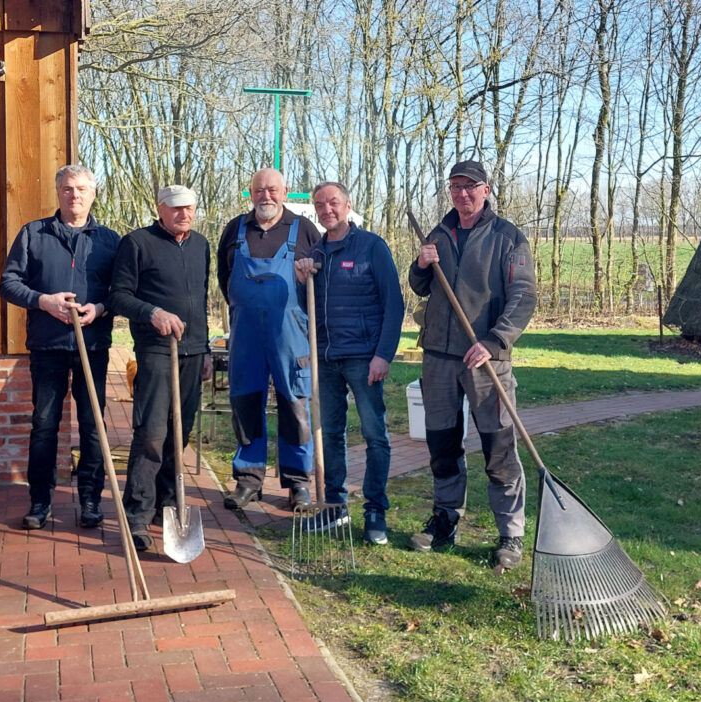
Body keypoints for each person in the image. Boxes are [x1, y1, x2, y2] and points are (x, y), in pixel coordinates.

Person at [407, 160, 537, 570]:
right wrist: (421, 264)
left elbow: (524, 296)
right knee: (442, 444)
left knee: (499, 447)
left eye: (470, 186)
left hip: (487, 360)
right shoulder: (438, 234)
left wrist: (494, 340)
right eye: (455, 186)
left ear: (486, 189)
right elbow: (419, 286)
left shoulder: (508, 237)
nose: (462, 193)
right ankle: (445, 519)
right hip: (440, 359)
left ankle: (510, 534)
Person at [0, 165, 121, 530]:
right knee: (44, 424)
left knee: (92, 424)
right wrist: (43, 301)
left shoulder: (110, 240)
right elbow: (8, 283)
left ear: (93, 193)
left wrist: (99, 308)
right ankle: (40, 500)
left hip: (93, 344)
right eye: (68, 189)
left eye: (82, 189)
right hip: (47, 345)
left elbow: (123, 293)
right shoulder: (33, 234)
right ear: (58, 193)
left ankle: (89, 499)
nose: (75, 195)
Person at [294, 182, 404, 544]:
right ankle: (334, 509)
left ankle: (375, 511)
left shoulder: (372, 247)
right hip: (326, 359)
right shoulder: (315, 253)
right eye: (320, 205)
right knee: (328, 436)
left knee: (375, 435)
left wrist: (383, 355)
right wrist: (301, 277)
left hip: (364, 358)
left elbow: (394, 305)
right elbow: (305, 303)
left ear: (348, 205)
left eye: (334, 202)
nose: (327, 209)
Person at [108, 185, 213, 552]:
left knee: (178, 433)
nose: (184, 214)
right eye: (177, 209)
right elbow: (118, 295)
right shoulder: (137, 243)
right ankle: (137, 514)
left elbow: (199, 299)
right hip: (155, 350)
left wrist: (206, 349)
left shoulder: (201, 245)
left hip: (193, 351)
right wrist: (152, 313)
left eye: (190, 209)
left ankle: (167, 505)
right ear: (161, 209)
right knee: (151, 433)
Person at [217, 168, 321, 510]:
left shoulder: (304, 229)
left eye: (273, 190)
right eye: (259, 190)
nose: (266, 196)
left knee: (294, 406)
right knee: (246, 404)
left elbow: (319, 283)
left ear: (285, 191)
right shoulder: (235, 229)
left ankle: (297, 483)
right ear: (250, 193)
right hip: (245, 333)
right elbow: (223, 275)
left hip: (291, 334)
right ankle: (248, 480)